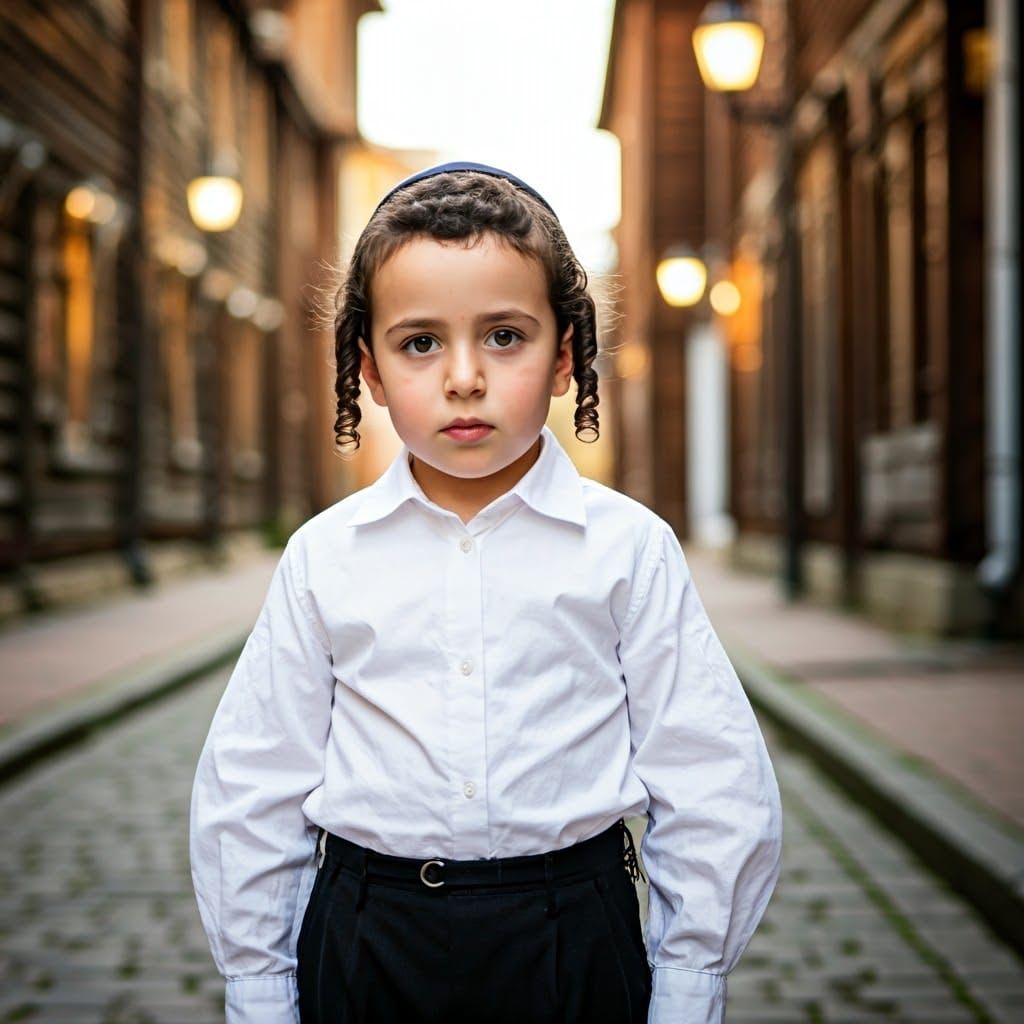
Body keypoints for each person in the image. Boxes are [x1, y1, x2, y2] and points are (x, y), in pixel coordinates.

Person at [190, 162, 782, 1024]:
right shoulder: (325, 557)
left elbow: (709, 773)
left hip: (570, 939)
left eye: (504, 336)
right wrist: (260, 989)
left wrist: (689, 984)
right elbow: (253, 780)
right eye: (420, 343)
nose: (464, 377)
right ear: (371, 371)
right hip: (367, 940)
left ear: (563, 356)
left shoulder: (628, 550)